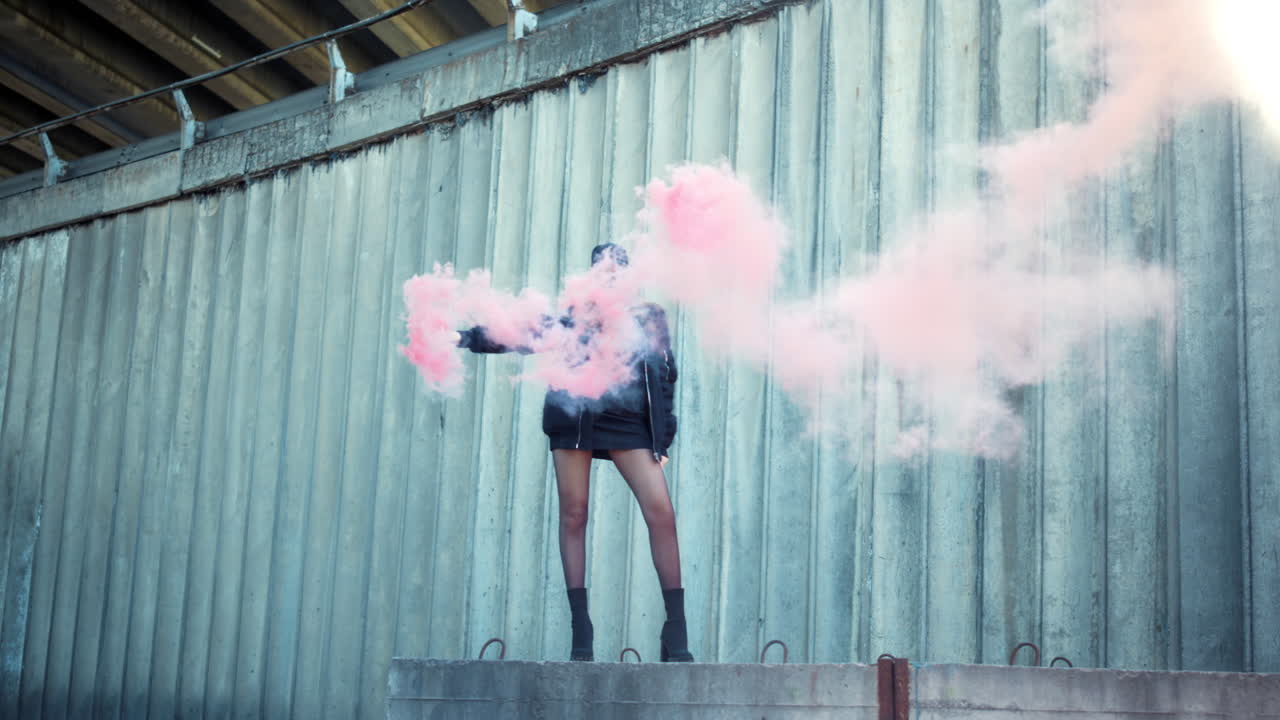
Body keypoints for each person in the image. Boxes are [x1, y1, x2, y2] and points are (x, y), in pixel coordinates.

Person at [455, 242, 692, 662]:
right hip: (577, 418)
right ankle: (581, 628)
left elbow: (667, 375)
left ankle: (676, 629)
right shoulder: (575, 314)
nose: (611, 278)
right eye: (603, 271)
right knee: (574, 514)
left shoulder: (648, 316)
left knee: (661, 514)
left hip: (629, 424)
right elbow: (522, 334)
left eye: (618, 271)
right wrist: (466, 336)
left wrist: (663, 439)